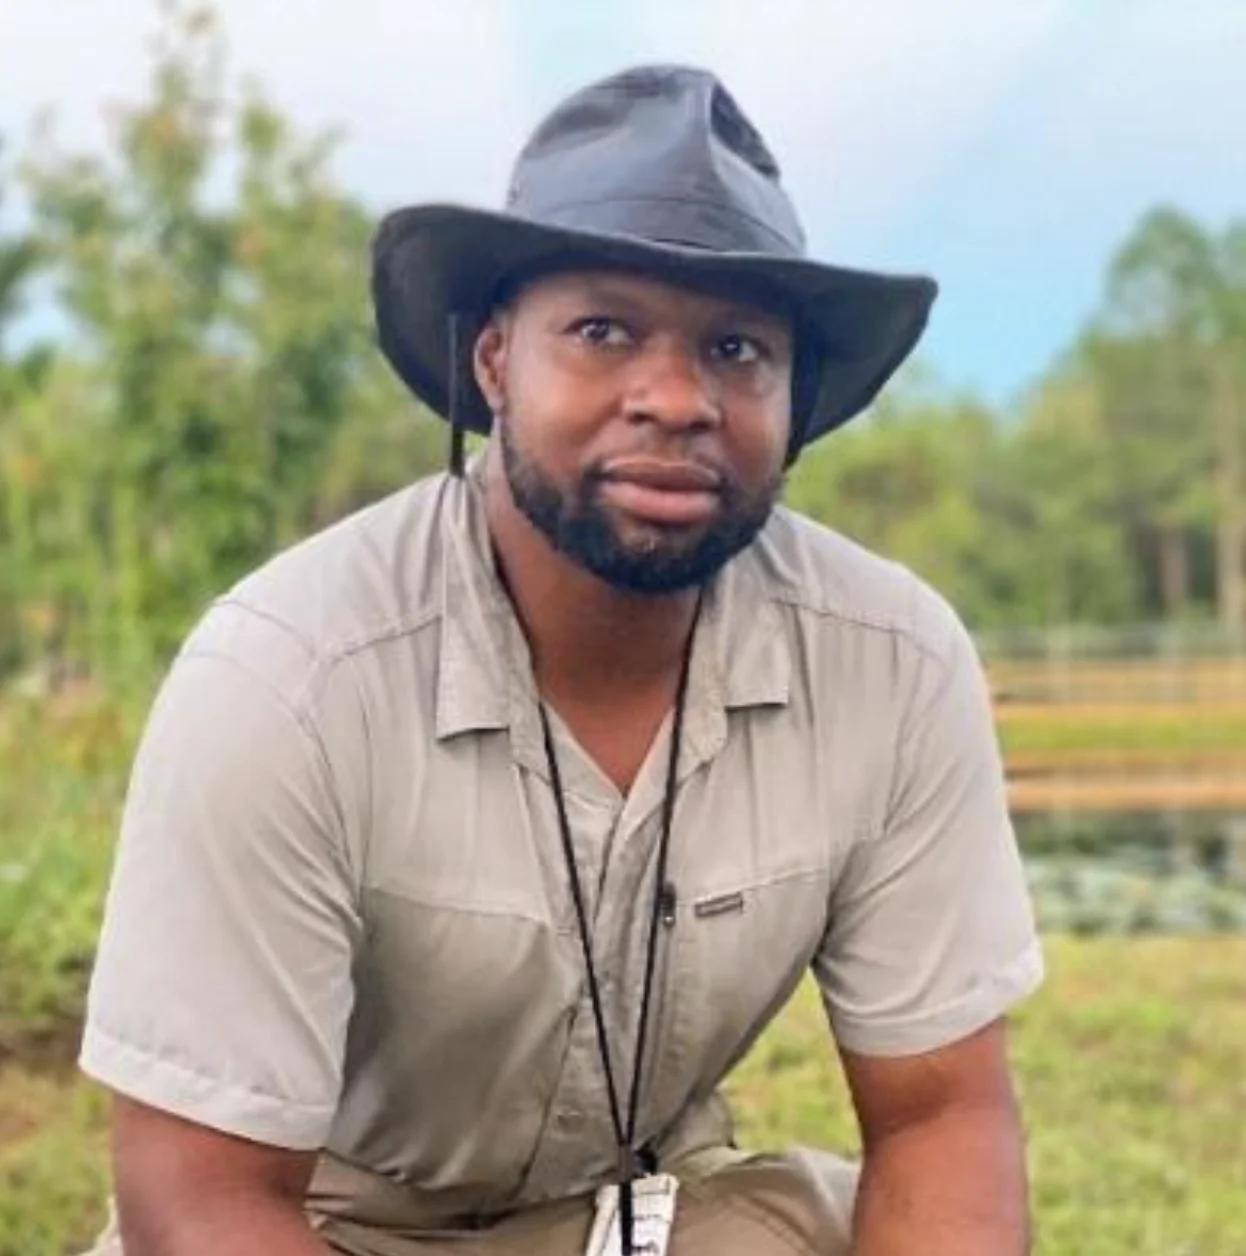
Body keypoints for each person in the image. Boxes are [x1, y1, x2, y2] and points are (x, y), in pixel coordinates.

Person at [79, 64, 1043, 1256]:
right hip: (317, 1222)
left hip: (633, 1216)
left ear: (793, 401)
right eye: (602, 330)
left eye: (737, 348)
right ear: (493, 362)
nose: (676, 397)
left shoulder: (892, 663)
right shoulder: (291, 674)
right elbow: (204, 1194)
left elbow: (941, 1114)